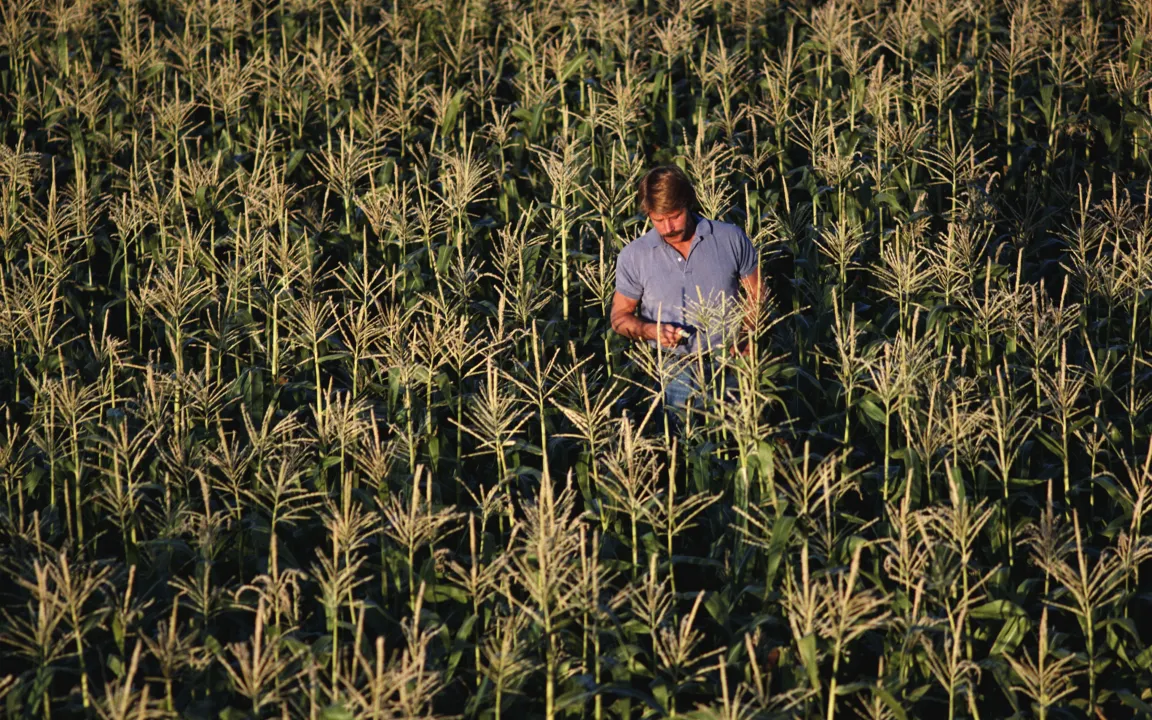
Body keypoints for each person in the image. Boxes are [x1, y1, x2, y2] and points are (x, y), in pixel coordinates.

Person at [611, 165, 762, 428]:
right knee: (683, 449)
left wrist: (747, 332)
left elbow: (757, 293)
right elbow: (619, 317)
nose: (668, 227)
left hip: (729, 364)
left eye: (675, 215)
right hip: (674, 370)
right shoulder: (634, 256)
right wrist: (650, 330)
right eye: (658, 219)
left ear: (688, 202)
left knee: (734, 445)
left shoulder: (730, 238)